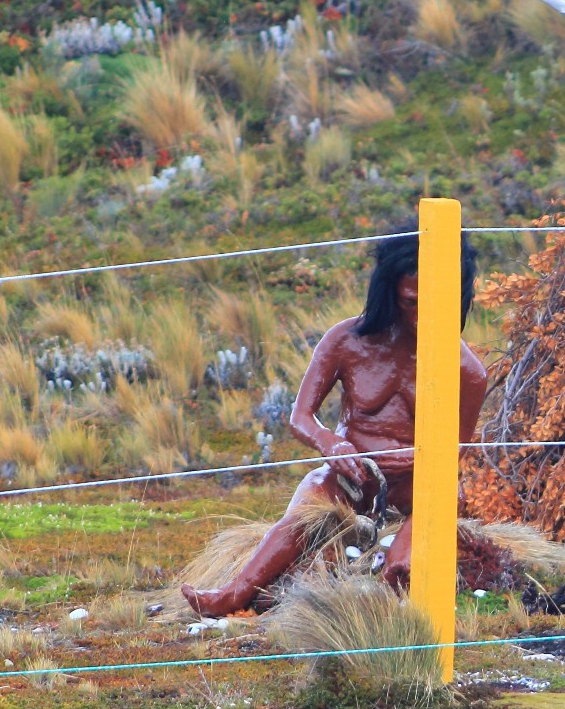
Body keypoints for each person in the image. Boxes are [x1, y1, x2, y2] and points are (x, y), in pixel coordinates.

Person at [181, 229, 487, 616]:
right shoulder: (346, 341)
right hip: (349, 477)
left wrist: (417, 477)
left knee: (412, 549)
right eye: (410, 302)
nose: (420, 315)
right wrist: (331, 444)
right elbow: (300, 417)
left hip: (416, 487)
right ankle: (232, 595)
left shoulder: (467, 372)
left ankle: (383, 601)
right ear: (388, 292)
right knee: (305, 514)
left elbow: (453, 457)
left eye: (434, 304)